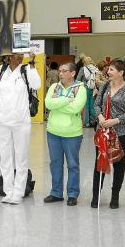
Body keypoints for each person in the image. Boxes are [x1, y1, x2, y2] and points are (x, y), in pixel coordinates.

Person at [0, 53, 41, 205]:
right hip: (2, 122)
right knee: (5, 158)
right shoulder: (1, 70)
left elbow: (37, 85)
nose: (19, 58)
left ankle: (19, 191)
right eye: (16, 55)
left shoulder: (27, 70)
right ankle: (8, 190)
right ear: (8, 56)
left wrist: (33, 64)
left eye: (21, 55)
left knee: (21, 159)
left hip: (21, 122)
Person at [91, 59, 125, 209]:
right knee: (99, 162)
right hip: (102, 131)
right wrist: (101, 118)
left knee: (119, 164)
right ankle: (96, 196)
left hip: (121, 132)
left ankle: (115, 196)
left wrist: (115, 121)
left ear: (121, 73)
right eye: (108, 69)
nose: (108, 72)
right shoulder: (104, 87)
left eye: (111, 70)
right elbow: (96, 104)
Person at [44, 63, 86, 206]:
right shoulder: (53, 87)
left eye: (64, 71)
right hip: (53, 132)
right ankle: (56, 192)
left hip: (72, 134)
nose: (60, 74)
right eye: (60, 71)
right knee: (55, 163)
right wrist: (67, 99)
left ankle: (73, 194)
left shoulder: (80, 89)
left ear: (73, 73)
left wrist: (58, 101)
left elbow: (76, 108)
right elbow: (48, 104)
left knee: (73, 164)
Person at [77, 56, 98, 127]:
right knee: (92, 105)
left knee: (86, 106)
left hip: (85, 88)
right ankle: (95, 120)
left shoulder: (83, 69)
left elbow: (78, 79)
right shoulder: (95, 69)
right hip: (93, 88)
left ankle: (86, 122)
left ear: (84, 62)